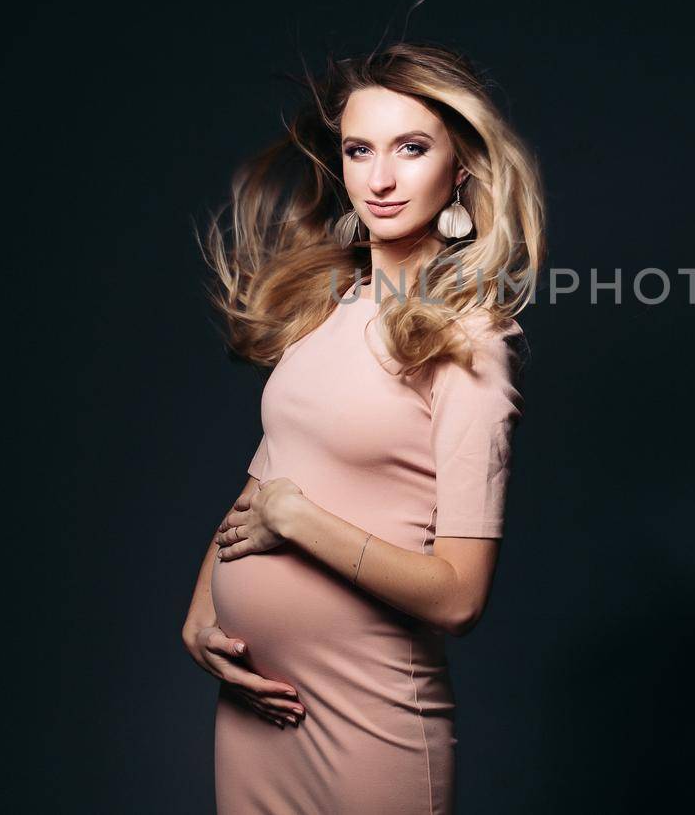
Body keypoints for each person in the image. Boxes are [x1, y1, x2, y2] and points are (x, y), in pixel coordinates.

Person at [180, 40, 547, 814]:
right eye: (359, 149)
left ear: (461, 169)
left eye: (411, 149)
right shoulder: (329, 314)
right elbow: (266, 479)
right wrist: (201, 612)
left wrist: (300, 520)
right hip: (259, 710)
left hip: (369, 719)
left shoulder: (471, 342)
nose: (378, 178)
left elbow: (458, 598)